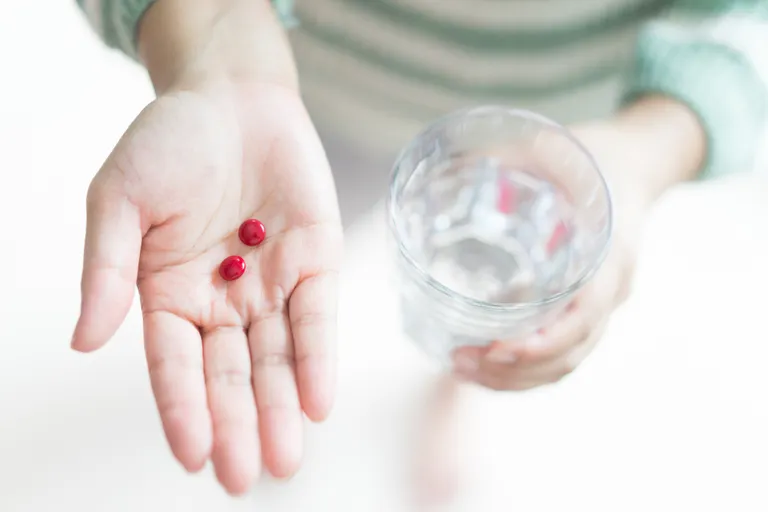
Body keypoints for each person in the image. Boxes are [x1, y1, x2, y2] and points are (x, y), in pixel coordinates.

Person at [72, 0, 767, 497]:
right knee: (294, 265)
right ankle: (333, 385)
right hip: (298, 111)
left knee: (500, 321)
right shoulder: (273, 146)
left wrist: (650, 147)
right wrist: (213, 43)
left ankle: (458, 380)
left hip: (546, 151)